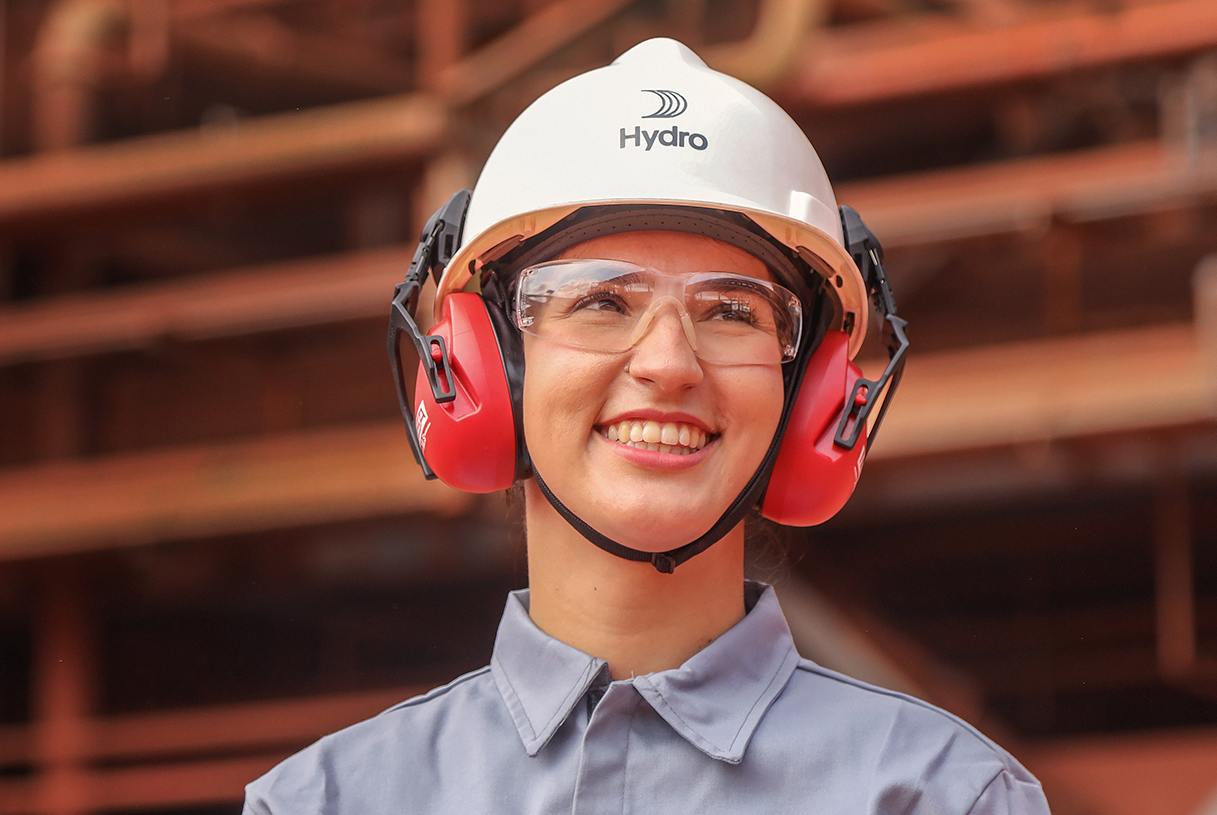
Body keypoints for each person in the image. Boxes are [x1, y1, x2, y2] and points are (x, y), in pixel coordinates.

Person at [244, 38, 1050, 814]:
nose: (669, 362)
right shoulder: (327, 802)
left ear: (807, 389)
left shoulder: (946, 797)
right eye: (599, 300)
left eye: (734, 310)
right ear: (484, 365)